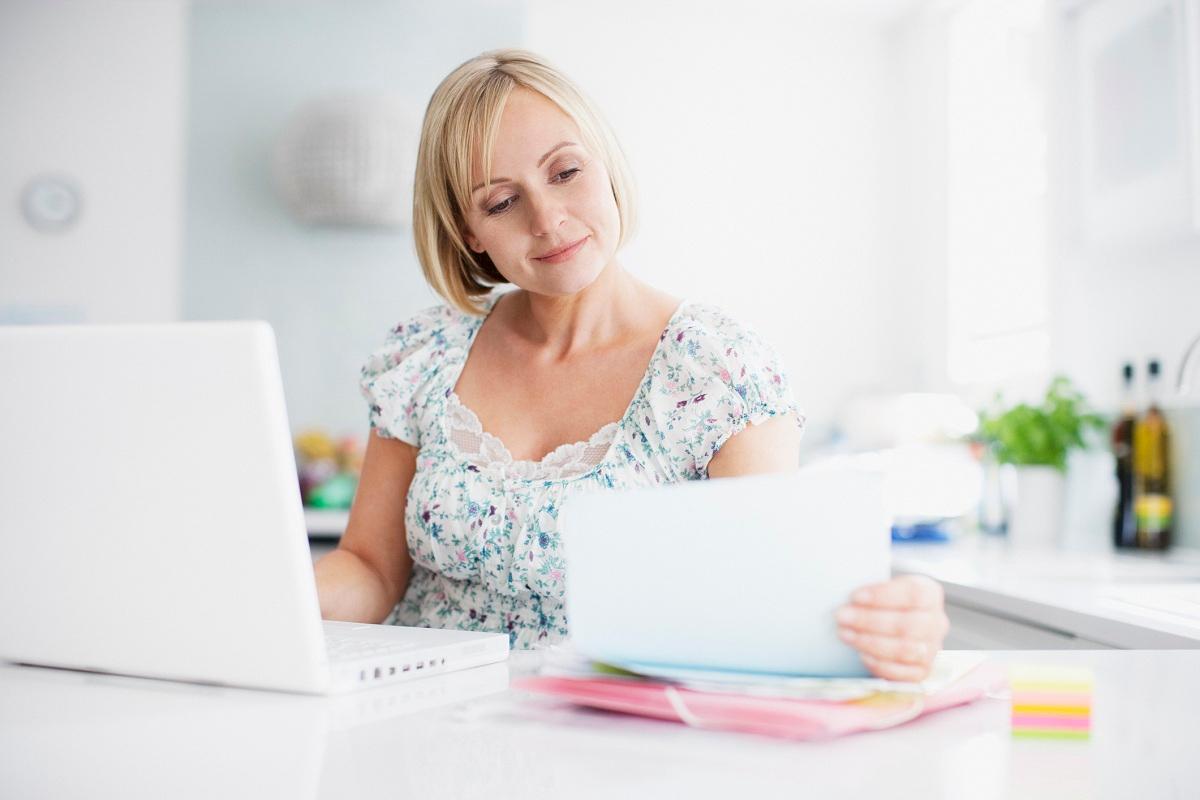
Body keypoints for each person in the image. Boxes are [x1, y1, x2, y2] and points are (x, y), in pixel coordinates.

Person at [314, 49, 949, 682]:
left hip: (615, 748)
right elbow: (370, 569)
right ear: (469, 232)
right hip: (423, 731)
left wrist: (885, 623)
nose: (548, 218)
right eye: (502, 203)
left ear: (606, 165)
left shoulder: (717, 370)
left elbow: (768, 600)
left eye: (564, 172)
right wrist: (261, 596)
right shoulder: (426, 356)